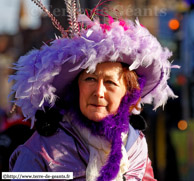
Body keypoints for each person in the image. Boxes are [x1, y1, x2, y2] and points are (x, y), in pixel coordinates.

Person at [8, 1, 179, 180]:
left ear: (128, 93)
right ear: (77, 88)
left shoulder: (136, 146)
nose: (99, 92)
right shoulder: (42, 149)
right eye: (90, 79)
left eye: (110, 83)